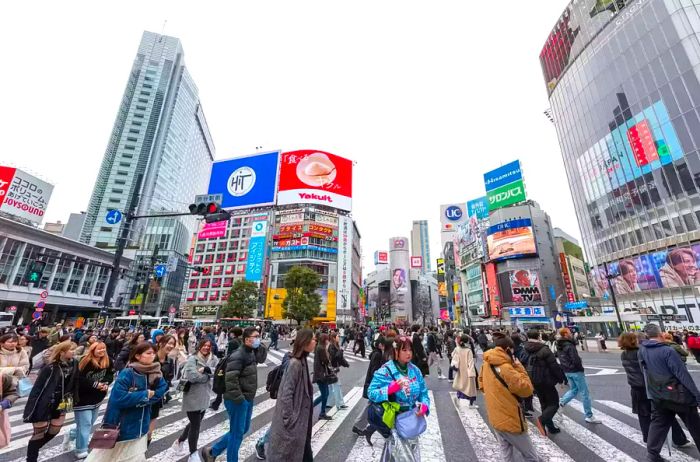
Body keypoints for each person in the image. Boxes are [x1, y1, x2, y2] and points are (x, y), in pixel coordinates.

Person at [84, 342, 168, 462]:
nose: (152, 356)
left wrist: (144, 399)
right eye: (148, 353)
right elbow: (118, 398)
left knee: (135, 458)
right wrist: (145, 395)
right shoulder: (128, 373)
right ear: (138, 356)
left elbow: (161, 390)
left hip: (142, 425)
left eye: (154, 353)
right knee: (105, 458)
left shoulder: (155, 372)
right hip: (122, 425)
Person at [202, 327, 267, 462]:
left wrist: (260, 345)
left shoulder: (250, 352)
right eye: (256, 337)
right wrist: (240, 400)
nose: (258, 339)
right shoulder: (239, 355)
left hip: (247, 397)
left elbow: (261, 358)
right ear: (247, 339)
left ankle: (213, 451)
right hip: (237, 399)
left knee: (242, 429)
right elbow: (231, 380)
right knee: (236, 434)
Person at [619, 331, 692, 449]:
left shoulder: (624, 354)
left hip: (635, 388)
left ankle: (648, 439)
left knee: (643, 415)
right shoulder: (640, 352)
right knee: (665, 413)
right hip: (649, 387)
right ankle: (679, 439)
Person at [639, 324, 700, 461]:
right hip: (679, 395)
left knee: (658, 424)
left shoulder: (642, 350)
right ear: (660, 334)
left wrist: (651, 394)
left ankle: (652, 454)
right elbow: (682, 374)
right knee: (695, 426)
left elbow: (645, 373)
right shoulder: (667, 351)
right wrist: (697, 395)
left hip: (658, 394)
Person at [479, 332, 540, 462]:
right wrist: (518, 366)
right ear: (507, 349)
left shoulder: (486, 363)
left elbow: (481, 384)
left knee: (506, 454)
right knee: (531, 456)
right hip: (510, 418)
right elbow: (527, 390)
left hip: (495, 416)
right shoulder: (506, 368)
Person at [367, 335, 430, 461]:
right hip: (395, 422)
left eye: (410, 350)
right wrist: (390, 389)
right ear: (396, 351)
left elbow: (423, 392)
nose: (408, 353)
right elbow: (371, 392)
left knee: (410, 454)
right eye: (404, 350)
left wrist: (424, 405)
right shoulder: (386, 370)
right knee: (401, 456)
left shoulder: (414, 369)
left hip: (412, 421)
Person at [266, 329, 316, 462]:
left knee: (304, 453)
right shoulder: (295, 364)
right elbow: (286, 393)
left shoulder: (303, 361)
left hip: (301, 423)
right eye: (312, 339)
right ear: (305, 342)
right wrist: (289, 418)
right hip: (295, 422)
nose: (315, 342)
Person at [24, 340, 77, 462]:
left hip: (64, 401)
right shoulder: (50, 367)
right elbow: (37, 389)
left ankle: (33, 449)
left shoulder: (74, 364)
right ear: (62, 352)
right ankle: (31, 458)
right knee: (39, 434)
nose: (74, 352)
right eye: (71, 350)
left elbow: (76, 382)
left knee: (55, 430)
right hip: (45, 402)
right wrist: (31, 409)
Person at [172, 338, 219, 461]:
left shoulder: (213, 359)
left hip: (205, 396)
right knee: (196, 426)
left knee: (194, 423)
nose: (206, 348)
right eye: (204, 345)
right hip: (192, 396)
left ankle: (179, 441)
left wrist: (206, 371)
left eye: (209, 346)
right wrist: (207, 376)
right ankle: (193, 454)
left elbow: (218, 372)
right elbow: (192, 376)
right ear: (199, 346)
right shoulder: (192, 359)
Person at [68, 341, 114, 459]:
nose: (102, 351)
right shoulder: (85, 361)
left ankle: (72, 433)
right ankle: (81, 449)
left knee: (89, 423)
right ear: (92, 350)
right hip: (82, 397)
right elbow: (78, 378)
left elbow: (109, 375)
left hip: (97, 397)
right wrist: (95, 384)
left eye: (103, 349)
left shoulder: (108, 361)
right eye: (99, 349)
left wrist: (105, 383)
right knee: (86, 424)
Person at [522, 330, 565, 436]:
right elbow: (554, 365)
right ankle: (542, 420)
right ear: (539, 336)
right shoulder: (544, 349)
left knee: (544, 403)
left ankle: (550, 427)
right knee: (554, 403)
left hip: (533, 379)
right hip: (546, 380)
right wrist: (561, 378)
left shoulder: (525, 348)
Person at [557, 327, 601, 423]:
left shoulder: (559, 345)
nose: (571, 333)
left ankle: (561, 403)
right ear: (565, 334)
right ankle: (589, 416)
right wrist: (579, 368)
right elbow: (575, 359)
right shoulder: (569, 345)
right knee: (585, 393)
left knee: (574, 390)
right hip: (575, 371)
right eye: (569, 332)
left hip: (567, 371)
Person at [352, 336, 391, 445]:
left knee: (373, 406)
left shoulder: (378, 353)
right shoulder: (377, 355)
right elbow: (374, 371)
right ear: (380, 345)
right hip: (375, 385)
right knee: (372, 406)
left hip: (376, 385)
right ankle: (362, 426)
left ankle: (366, 427)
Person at [149, 335, 177, 443]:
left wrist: (163, 390)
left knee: (150, 428)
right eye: (169, 343)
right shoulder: (151, 357)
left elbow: (169, 378)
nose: (171, 346)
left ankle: (147, 442)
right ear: (160, 343)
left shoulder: (169, 361)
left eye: (172, 344)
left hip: (158, 396)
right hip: (145, 394)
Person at [452, 333, 478, 407]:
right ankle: (471, 404)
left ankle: (458, 397)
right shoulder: (468, 350)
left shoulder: (457, 349)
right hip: (468, 371)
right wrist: (472, 373)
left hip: (460, 370)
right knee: (471, 388)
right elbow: (470, 362)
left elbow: (453, 356)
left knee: (461, 386)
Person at [312, 333, 334, 420]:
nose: (328, 341)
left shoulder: (319, 347)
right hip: (321, 375)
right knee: (324, 394)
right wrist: (328, 353)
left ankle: (321, 411)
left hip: (320, 374)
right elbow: (326, 361)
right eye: (327, 339)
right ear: (325, 340)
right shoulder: (321, 348)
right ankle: (318, 411)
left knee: (325, 394)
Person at [327, 332, 349, 412]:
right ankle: (340, 404)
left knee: (330, 387)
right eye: (337, 336)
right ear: (333, 338)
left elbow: (339, 358)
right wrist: (341, 351)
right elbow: (335, 357)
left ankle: (328, 403)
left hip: (332, 368)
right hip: (333, 369)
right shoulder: (332, 346)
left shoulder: (334, 346)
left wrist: (346, 364)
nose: (338, 337)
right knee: (337, 386)